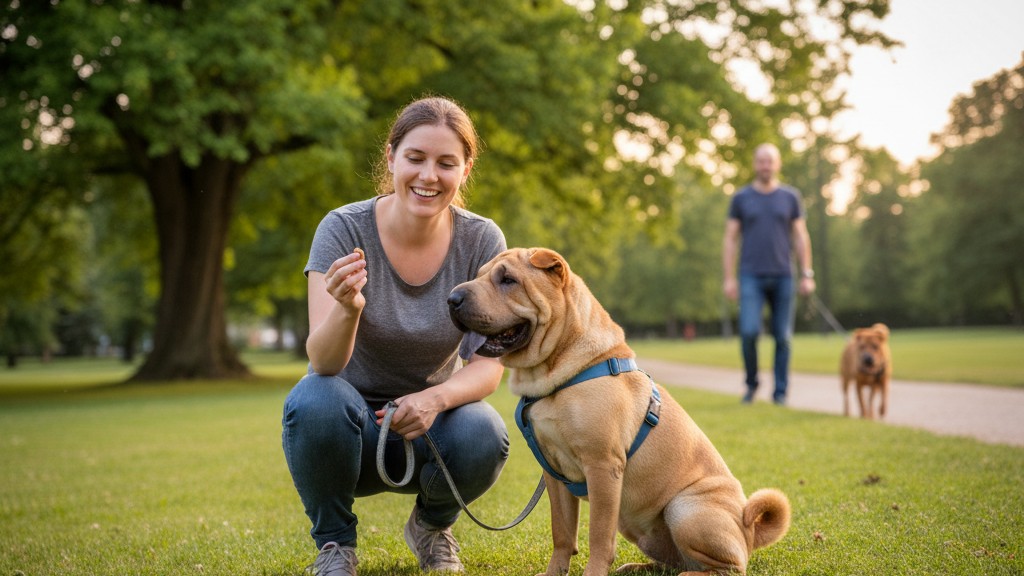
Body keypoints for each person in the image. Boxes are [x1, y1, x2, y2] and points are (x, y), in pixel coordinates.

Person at [282, 96, 509, 575]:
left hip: (431, 428)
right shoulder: (342, 229)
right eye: (416, 158)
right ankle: (335, 547)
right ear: (391, 157)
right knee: (313, 399)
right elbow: (323, 364)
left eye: (447, 163)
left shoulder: (482, 241)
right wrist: (347, 310)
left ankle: (431, 528)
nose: (429, 176)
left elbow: (488, 368)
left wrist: (434, 400)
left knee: (484, 431)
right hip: (350, 431)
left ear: (465, 170)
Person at [722, 143, 815, 406]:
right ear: (755, 164)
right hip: (750, 274)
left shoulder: (790, 197)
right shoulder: (741, 198)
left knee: (782, 336)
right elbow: (730, 239)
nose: (766, 166)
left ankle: (780, 393)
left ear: (778, 164)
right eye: (761, 161)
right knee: (750, 332)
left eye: (770, 161)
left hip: (784, 274)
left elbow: (800, 236)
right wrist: (729, 277)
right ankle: (751, 385)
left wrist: (807, 273)